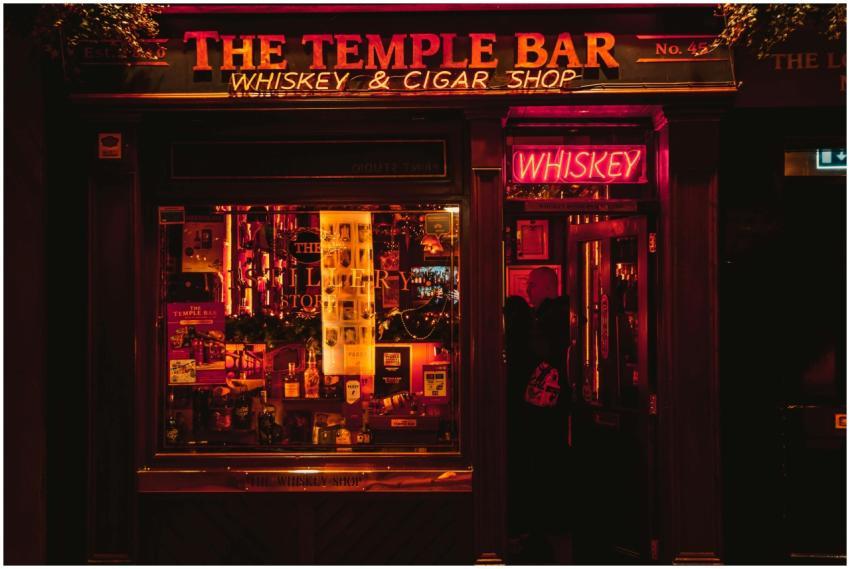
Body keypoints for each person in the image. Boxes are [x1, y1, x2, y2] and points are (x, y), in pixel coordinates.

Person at [505, 266, 572, 564]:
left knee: (536, 466)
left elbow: (539, 352)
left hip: (537, 412)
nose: (528, 289)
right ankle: (547, 526)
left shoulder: (545, 319)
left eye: (531, 284)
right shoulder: (562, 315)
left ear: (545, 286)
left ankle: (538, 529)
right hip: (553, 412)